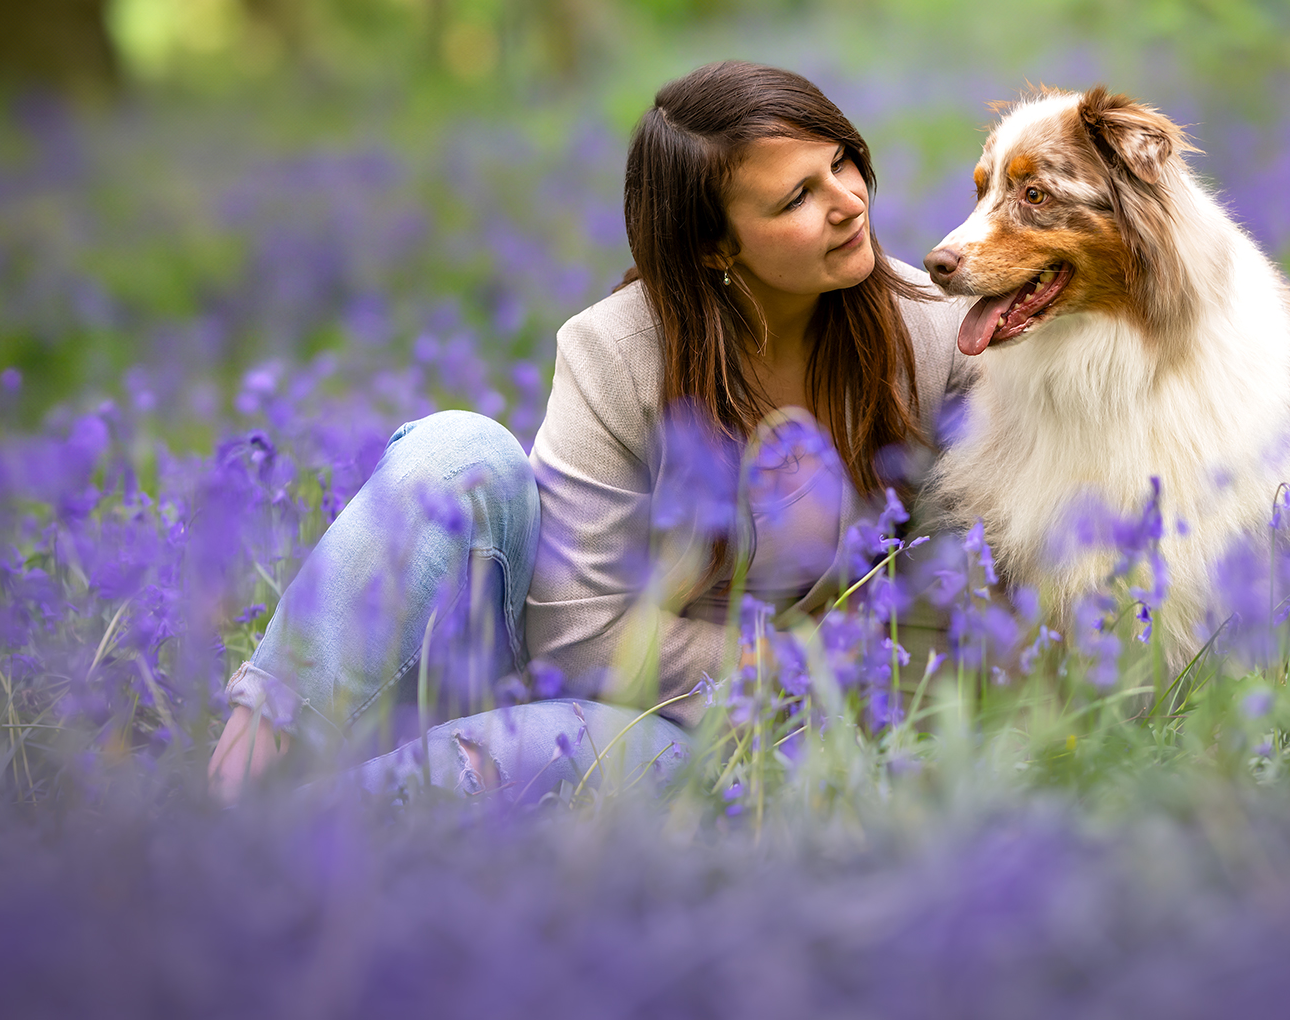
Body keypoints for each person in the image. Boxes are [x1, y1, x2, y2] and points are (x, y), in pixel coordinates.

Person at [208, 61, 972, 805]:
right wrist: (791, 658)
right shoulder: (616, 350)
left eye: (842, 162)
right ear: (715, 247)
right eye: (797, 196)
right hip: (586, 672)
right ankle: (235, 785)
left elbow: (946, 608)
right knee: (456, 451)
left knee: (510, 754)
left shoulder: (937, 336)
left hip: (728, 735)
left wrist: (834, 705)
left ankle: (295, 831)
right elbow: (578, 635)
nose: (849, 201)